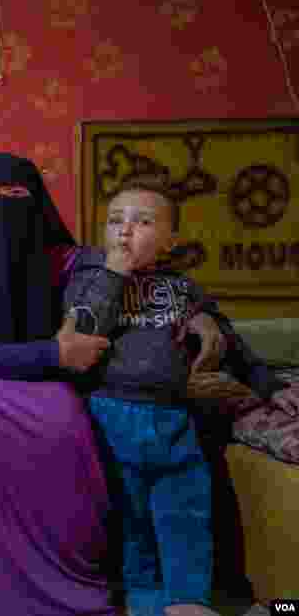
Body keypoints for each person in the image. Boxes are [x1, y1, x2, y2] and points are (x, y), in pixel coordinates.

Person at [0, 153, 234, 616]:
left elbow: (147, 278)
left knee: (66, 417)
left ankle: (71, 577)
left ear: (37, 205)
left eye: (15, 197)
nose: (2, 212)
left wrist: (203, 315)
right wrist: (49, 353)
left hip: (53, 384)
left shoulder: (71, 258)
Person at [63, 183, 296, 616]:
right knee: (130, 518)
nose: (125, 231)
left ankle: (187, 599)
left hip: (174, 418)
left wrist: (266, 385)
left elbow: (230, 339)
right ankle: (144, 598)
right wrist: (114, 273)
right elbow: (86, 323)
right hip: (112, 415)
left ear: (170, 241)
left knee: (186, 510)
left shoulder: (183, 289)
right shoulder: (89, 279)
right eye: (115, 221)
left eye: (142, 221)